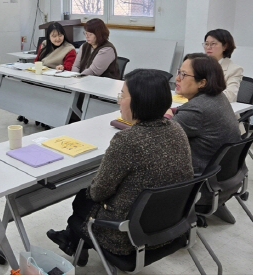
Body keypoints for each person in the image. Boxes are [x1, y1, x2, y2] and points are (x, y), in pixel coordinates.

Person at [46, 69, 193, 266]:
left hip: (127, 238)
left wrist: (95, 182)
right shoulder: (176, 129)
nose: (118, 101)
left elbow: (98, 192)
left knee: (82, 199)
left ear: (139, 101)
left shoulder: (127, 140)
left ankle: (72, 240)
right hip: (169, 227)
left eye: (122, 95)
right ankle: (72, 241)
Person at [166, 53, 241, 174]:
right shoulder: (217, 96)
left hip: (197, 174)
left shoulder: (197, 110)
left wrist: (167, 114)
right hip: (221, 170)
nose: (177, 78)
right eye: (179, 72)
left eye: (183, 74)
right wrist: (172, 110)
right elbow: (188, 111)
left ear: (202, 83)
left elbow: (160, 135)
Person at [203, 29, 243, 103]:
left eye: (213, 44)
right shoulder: (200, 65)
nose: (208, 47)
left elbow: (229, 95)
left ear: (225, 46)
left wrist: (203, 99)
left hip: (220, 109)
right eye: (206, 44)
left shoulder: (234, 69)